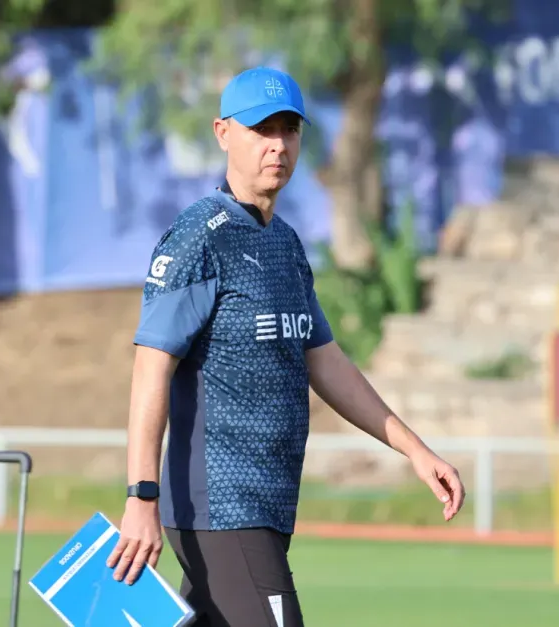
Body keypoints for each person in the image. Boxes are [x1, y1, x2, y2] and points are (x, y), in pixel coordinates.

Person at [106, 66, 466, 627]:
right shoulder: (199, 237)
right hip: (221, 507)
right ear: (223, 133)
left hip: (267, 506)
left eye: (289, 129)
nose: (277, 144)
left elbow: (326, 361)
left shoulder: (285, 243)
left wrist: (415, 450)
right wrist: (141, 497)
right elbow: (150, 369)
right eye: (261, 129)